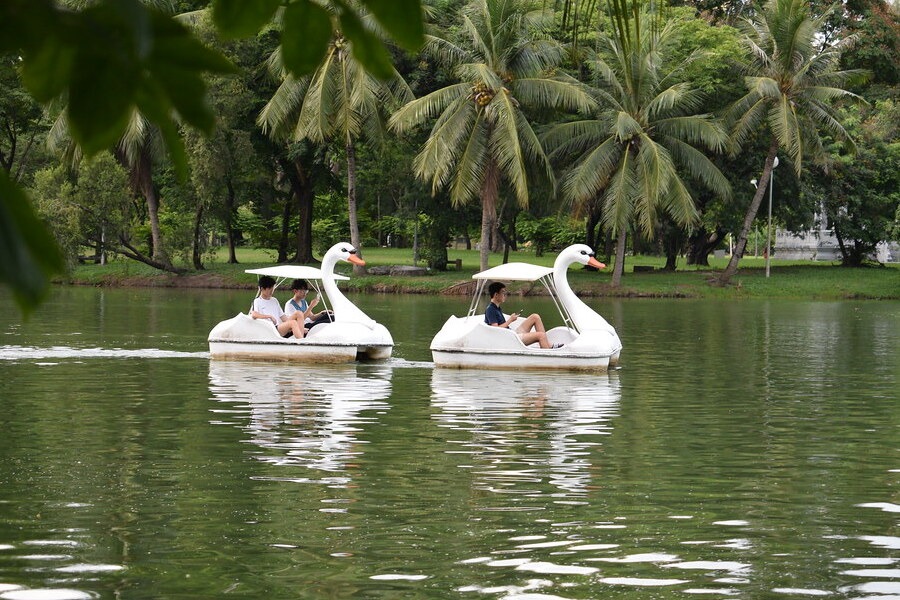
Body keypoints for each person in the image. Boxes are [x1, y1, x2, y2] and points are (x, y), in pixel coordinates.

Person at [484, 281, 560, 349]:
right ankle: (548, 352)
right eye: (503, 293)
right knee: (540, 335)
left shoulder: (496, 307)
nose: (505, 295)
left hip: (512, 333)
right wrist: (510, 320)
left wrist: (511, 319)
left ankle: (547, 345)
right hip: (510, 339)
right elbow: (495, 330)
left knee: (535, 317)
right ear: (496, 295)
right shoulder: (491, 309)